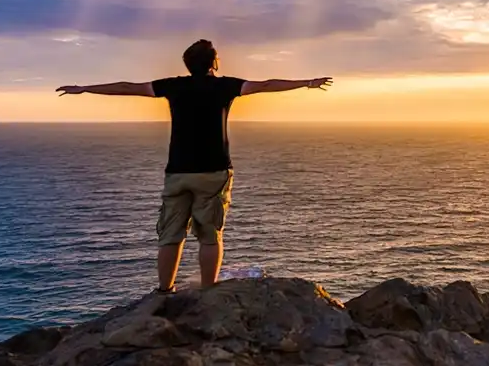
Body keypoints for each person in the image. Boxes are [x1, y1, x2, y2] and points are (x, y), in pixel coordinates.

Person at [57, 39, 332, 292]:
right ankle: (209, 289)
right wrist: (307, 82)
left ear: (188, 64)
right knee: (210, 235)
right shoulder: (225, 86)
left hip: (177, 171)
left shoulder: (173, 86)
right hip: (214, 171)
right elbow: (266, 84)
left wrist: (84, 89)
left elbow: (128, 87)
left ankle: (165, 291)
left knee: (170, 234)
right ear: (214, 63)